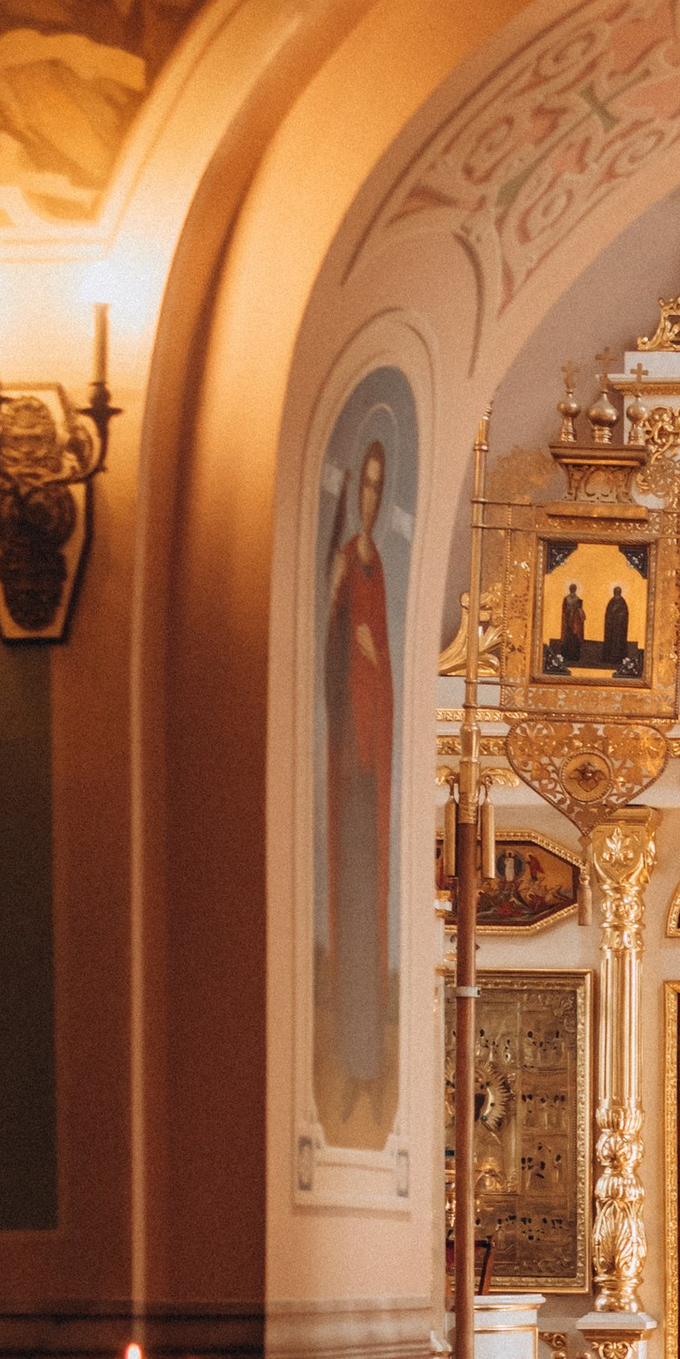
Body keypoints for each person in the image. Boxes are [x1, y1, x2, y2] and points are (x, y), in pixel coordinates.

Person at [321, 432, 395, 1124]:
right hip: (349, 763)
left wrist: (370, 655)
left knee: (371, 915)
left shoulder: (378, 567)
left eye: (378, 486)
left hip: (374, 767)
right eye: (363, 487)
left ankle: (371, 1069)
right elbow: (329, 656)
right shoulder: (348, 564)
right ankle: (351, 1064)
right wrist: (346, 631)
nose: (369, 497)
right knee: (348, 916)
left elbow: (388, 669)